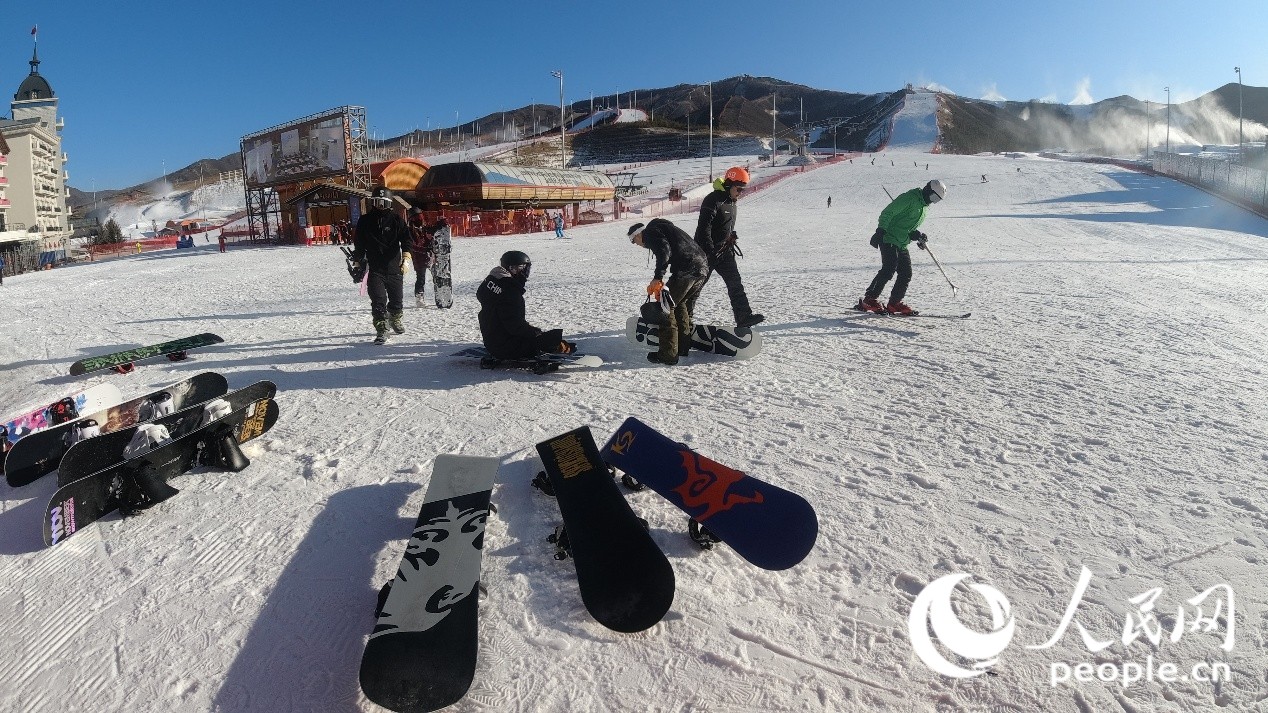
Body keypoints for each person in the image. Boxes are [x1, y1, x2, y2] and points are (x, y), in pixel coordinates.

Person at [857, 179, 947, 315]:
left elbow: (906, 226)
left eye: (936, 200)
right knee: (888, 269)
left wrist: (917, 235)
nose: (932, 201)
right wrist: (880, 230)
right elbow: (887, 212)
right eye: (933, 197)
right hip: (888, 238)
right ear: (928, 190)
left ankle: (894, 303)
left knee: (906, 273)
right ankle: (869, 299)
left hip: (901, 242)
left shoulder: (923, 208)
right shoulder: (909, 198)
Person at [627, 219, 710, 366]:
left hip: (686, 269)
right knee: (679, 304)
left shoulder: (651, 233)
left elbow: (664, 250)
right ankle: (683, 348)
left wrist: (657, 278)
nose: (638, 245)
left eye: (634, 241)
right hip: (702, 268)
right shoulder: (667, 230)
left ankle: (668, 354)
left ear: (638, 235)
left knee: (664, 309)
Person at [695, 166, 764, 328]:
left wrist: (730, 239)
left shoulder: (732, 202)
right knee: (695, 287)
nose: (741, 193)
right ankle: (678, 319)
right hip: (705, 252)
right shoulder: (713, 199)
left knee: (735, 283)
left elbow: (724, 227)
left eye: (743, 190)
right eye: (739, 189)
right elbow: (703, 228)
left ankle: (744, 317)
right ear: (729, 184)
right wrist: (709, 250)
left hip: (724, 251)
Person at [476, 251, 575, 359]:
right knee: (547, 338)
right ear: (513, 269)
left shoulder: (490, 282)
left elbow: (505, 315)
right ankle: (557, 347)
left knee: (531, 332)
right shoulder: (511, 293)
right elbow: (515, 326)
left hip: (491, 339)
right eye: (523, 268)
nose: (525, 273)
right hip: (506, 348)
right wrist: (536, 333)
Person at [351, 186, 412, 344]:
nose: (380, 206)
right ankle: (381, 328)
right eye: (377, 202)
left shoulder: (397, 220)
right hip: (375, 269)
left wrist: (406, 258)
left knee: (396, 300)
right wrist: (357, 263)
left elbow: (406, 240)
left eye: (383, 203)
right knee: (378, 300)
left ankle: (395, 319)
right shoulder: (365, 221)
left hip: (394, 268)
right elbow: (359, 245)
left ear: (389, 203)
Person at [407, 208, 437, 307]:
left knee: (436, 276)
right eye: (417, 217)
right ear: (412, 219)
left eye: (421, 216)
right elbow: (412, 246)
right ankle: (419, 297)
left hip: (430, 255)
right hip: (419, 257)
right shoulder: (410, 231)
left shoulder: (424, 227)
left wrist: (439, 225)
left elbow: (432, 232)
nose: (420, 219)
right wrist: (424, 250)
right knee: (421, 277)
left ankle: (439, 294)